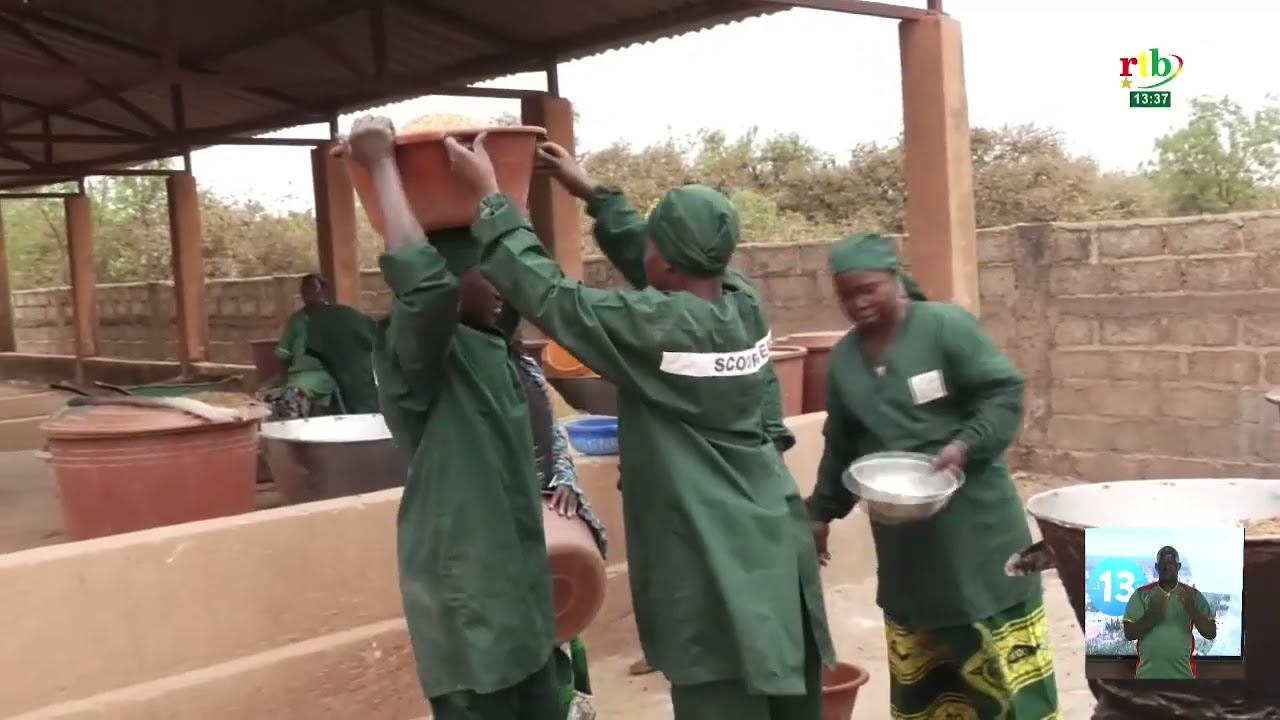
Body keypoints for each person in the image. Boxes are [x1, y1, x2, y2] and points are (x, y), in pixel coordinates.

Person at [441, 131, 835, 720]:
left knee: (720, 681)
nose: (643, 248)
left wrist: (491, 199)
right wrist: (594, 194)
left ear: (669, 261)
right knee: (784, 679)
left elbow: (552, 297)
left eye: (652, 241)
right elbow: (663, 265)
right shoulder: (741, 304)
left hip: (708, 548)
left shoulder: (656, 329)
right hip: (769, 532)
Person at [342, 116, 561, 720]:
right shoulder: (420, 357)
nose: (501, 291)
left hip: (520, 596)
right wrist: (383, 165)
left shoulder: (496, 348)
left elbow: (535, 283)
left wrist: (493, 193)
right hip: (469, 605)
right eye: (485, 277)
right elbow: (425, 292)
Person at [805, 234, 1060, 719]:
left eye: (868, 289)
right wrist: (819, 512)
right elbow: (842, 443)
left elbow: (1003, 393)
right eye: (846, 295)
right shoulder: (843, 362)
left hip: (975, 530)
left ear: (894, 280)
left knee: (1002, 676)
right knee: (928, 671)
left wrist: (964, 447)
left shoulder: (944, 328)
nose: (857, 303)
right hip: (906, 541)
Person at [512, 346, 609, 719]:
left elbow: (551, 437)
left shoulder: (523, 367)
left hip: (545, 526)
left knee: (561, 642)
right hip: (498, 530)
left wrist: (561, 480)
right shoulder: (462, 368)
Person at [1122, 545, 1217, 680]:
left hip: (1184, 676)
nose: (1167, 567)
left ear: (1178, 566)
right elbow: (1129, 633)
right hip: (1145, 676)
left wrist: (1192, 609)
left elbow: (1211, 633)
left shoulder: (1192, 595)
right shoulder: (1141, 594)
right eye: (1163, 563)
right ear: (1156, 566)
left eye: (1171, 562)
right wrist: (1153, 615)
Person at [255, 273, 340, 418]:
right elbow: (284, 354)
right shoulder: (296, 320)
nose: (306, 291)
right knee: (260, 396)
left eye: (312, 287)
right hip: (296, 375)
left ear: (323, 291)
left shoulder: (335, 317)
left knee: (292, 397)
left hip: (323, 374)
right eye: (303, 288)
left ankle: (297, 431)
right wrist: (281, 378)